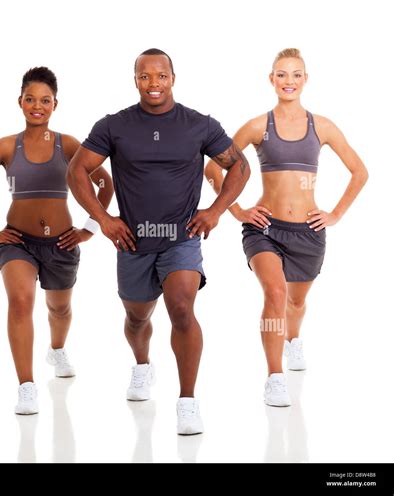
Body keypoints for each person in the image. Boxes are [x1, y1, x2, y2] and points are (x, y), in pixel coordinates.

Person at [67, 48, 250, 434]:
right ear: (135, 80)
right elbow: (77, 170)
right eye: (145, 76)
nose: (153, 84)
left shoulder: (198, 124)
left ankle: (187, 400)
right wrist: (103, 220)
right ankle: (142, 366)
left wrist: (215, 211)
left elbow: (240, 165)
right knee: (137, 318)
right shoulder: (114, 126)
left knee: (182, 307)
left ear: (173, 78)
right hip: (132, 241)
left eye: (161, 76)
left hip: (181, 237)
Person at [205, 48, 368, 407]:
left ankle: (293, 339)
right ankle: (274, 376)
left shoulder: (321, 126)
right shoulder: (257, 126)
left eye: (296, 74)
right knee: (276, 294)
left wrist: (336, 214)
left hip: (308, 231)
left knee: (295, 301)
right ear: (271, 79)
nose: (288, 81)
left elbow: (360, 172)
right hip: (265, 228)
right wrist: (236, 210)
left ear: (305, 80)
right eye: (281, 74)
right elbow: (215, 169)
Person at [0, 67, 113, 414]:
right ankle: (26, 386)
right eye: (31, 99)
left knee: (59, 308)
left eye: (45, 100)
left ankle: (56, 349)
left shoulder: (68, 144)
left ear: (55, 104)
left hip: (61, 243)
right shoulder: (5, 147)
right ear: (21, 102)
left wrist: (90, 228)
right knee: (20, 301)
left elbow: (105, 183)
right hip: (18, 243)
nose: (37, 106)